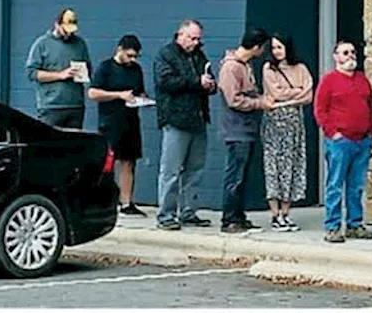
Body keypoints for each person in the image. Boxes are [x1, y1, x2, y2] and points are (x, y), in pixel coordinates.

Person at [154, 20, 217, 231]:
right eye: (192, 38)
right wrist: (196, 82)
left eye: (198, 38)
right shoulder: (166, 55)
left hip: (198, 118)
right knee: (171, 170)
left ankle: (189, 211)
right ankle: (166, 213)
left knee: (195, 169)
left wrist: (210, 85)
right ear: (180, 35)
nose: (196, 42)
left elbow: (207, 76)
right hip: (176, 118)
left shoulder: (199, 55)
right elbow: (166, 82)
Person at [313, 39, 372, 243]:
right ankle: (332, 226)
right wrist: (333, 133)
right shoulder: (329, 81)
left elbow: (371, 104)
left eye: (352, 52)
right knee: (335, 184)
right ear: (336, 57)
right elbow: (320, 110)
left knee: (356, 185)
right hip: (340, 142)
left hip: (362, 141)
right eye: (344, 52)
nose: (350, 55)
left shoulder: (362, 79)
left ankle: (354, 224)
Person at [218, 28, 272, 234]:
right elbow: (233, 99)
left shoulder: (245, 65)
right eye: (263, 47)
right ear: (256, 47)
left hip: (247, 128)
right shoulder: (231, 68)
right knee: (235, 175)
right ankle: (229, 218)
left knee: (242, 175)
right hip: (236, 129)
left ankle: (239, 215)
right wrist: (259, 103)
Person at [88, 35, 147, 216]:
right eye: (129, 55)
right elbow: (93, 93)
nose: (132, 60)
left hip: (131, 120)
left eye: (135, 56)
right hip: (110, 121)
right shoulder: (106, 67)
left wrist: (141, 98)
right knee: (108, 162)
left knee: (129, 161)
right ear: (119, 50)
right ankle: (102, 200)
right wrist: (119, 95)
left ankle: (126, 202)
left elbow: (139, 90)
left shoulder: (136, 69)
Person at [261, 32, 314, 232]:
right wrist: (295, 93)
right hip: (275, 124)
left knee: (292, 166)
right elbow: (275, 93)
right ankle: (274, 214)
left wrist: (290, 96)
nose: (276, 52)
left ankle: (286, 213)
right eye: (274, 48)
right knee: (274, 165)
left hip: (295, 124)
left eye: (280, 47)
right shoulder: (269, 68)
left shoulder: (300, 68)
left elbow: (308, 94)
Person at [25, 8, 90, 129]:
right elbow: (31, 73)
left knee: (74, 145)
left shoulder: (80, 44)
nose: (69, 34)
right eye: (66, 31)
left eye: (72, 31)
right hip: (51, 107)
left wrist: (82, 74)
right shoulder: (42, 44)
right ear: (57, 24)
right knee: (50, 145)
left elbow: (88, 69)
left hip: (76, 106)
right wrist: (61, 75)